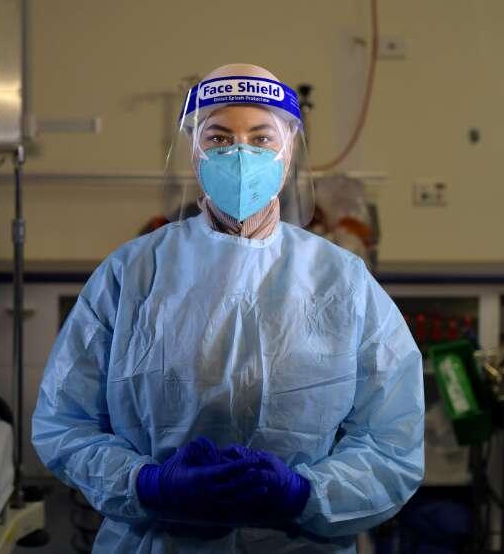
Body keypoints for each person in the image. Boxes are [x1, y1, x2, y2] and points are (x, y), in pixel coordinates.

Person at [32, 63, 425, 552]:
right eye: (218, 139)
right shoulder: (132, 274)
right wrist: (150, 484)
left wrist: (304, 494)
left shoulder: (342, 282)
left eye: (261, 139)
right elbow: (65, 422)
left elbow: (392, 444)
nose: (239, 156)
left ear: (289, 153)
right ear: (194, 151)